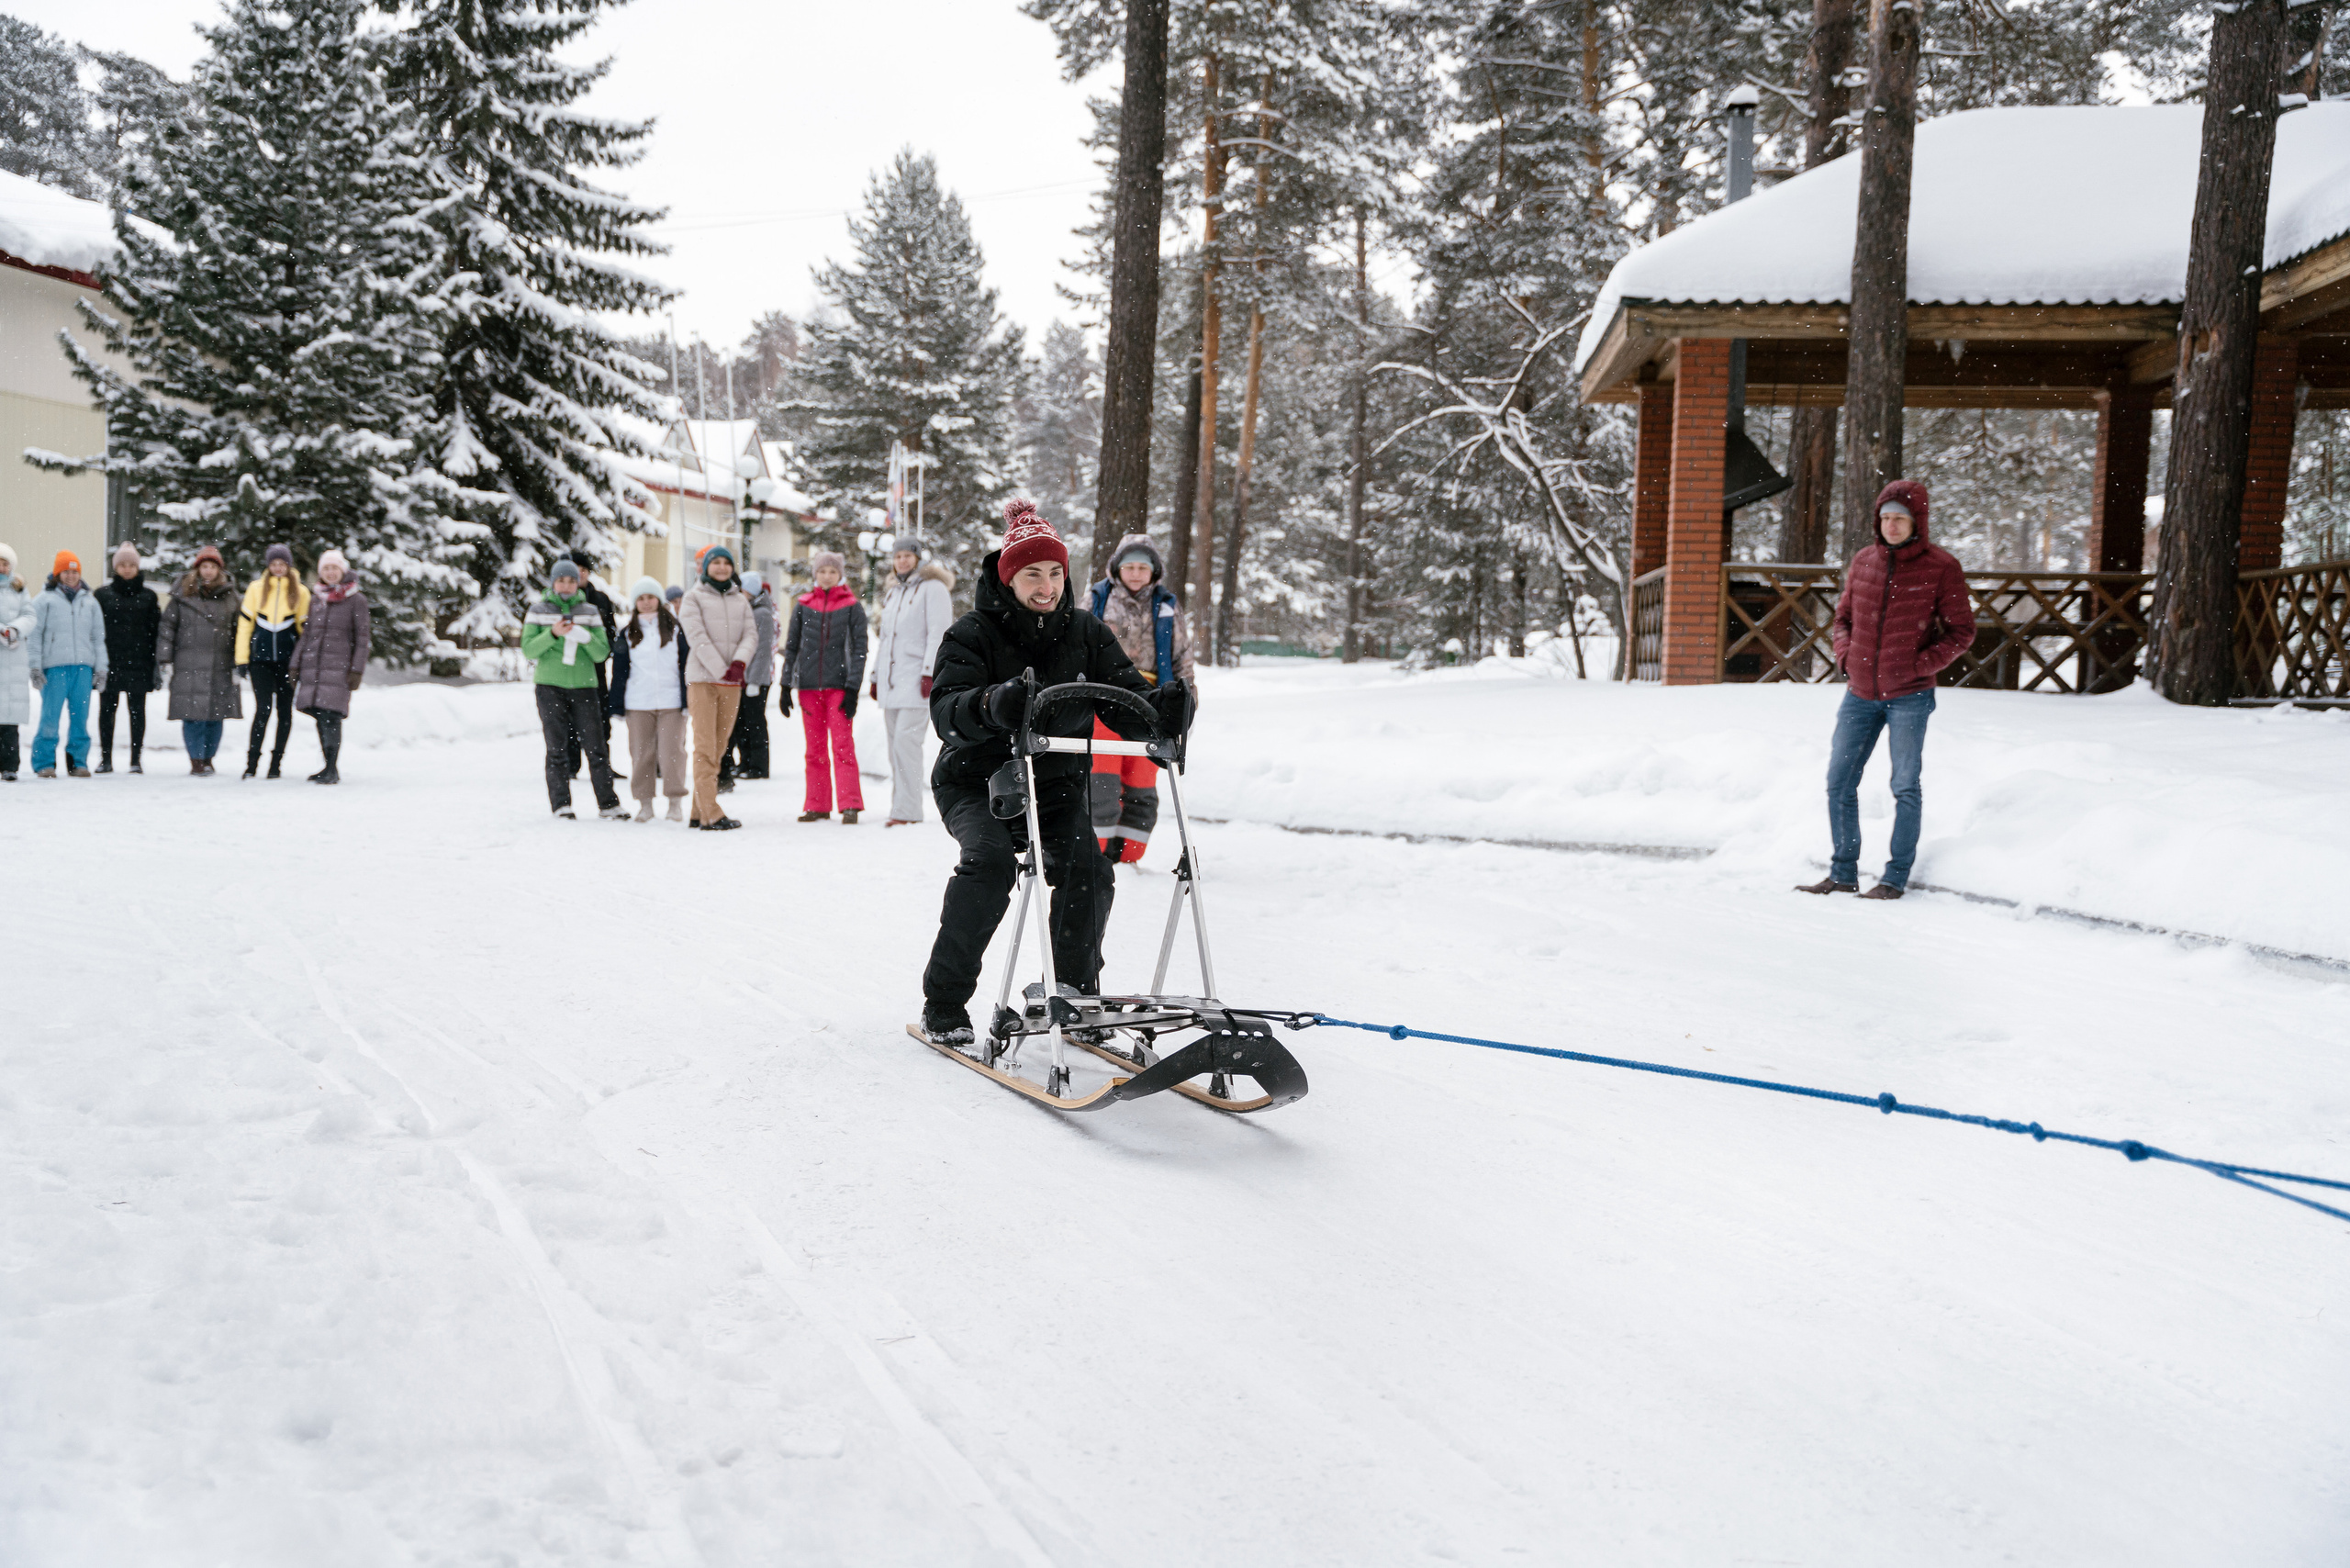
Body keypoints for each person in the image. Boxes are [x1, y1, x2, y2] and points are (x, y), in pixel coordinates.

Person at [917, 499, 1186, 1047]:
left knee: (1091, 867)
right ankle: (944, 1001)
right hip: (977, 780)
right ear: (1009, 577)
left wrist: (1163, 713)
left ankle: (1072, 990)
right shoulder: (972, 632)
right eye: (1032, 574)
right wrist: (995, 702)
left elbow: (1125, 698)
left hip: (1056, 783)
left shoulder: (1085, 630)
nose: (1046, 586)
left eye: (1056, 573)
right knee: (990, 865)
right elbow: (948, 710)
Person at [1799, 478, 1974, 901]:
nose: (1892, 526)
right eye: (1886, 518)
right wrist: (1845, 657)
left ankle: (1895, 877)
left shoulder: (1941, 567)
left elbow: (1961, 631)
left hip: (1910, 696)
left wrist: (1918, 666)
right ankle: (1843, 872)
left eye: (1900, 518)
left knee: (1904, 785)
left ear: (1918, 522)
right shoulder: (1863, 562)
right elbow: (1843, 620)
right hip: (1859, 694)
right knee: (1839, 781)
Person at [1086, 533, 1196, 864]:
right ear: (1116, 569)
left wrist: (1186, 706)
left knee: (1141, 781)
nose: (1135, 573)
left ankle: (1130, 856)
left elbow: (1183, 659)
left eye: (1142, 567)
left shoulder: (1166, 607)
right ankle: (1097, 854)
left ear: (1154, 571)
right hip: (1102, 700)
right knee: (1101, 779)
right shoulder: (1097, 600)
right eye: (1129, 566)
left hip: (1150, 701)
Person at [521, 557, 627, 820]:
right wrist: (554, 634)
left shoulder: (590, 611)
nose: (567, 585)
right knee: (556, 748)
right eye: (561, 580)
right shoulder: (538, 610)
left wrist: (585, 637)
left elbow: (602, 652)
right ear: (553, 582)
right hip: (550, 686)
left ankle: (608, 804)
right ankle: (561, 804)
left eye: (571, 580)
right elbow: (528, 649)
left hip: (584, 687)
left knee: (596, 747)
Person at [870, 536, 955, 826]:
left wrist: (930, 672)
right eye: (898, 556)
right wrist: (875, 676)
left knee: (907, 742)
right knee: (896, 745)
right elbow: (886, 639)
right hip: (893, 680)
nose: (903, 561)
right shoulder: (893, 592)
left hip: (918, 678)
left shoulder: (933, 589)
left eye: (908, 555)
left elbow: (939, 633)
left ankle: (908, 810)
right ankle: (901, 806)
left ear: (918, 559)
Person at [780, 549, 869, 823]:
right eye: (822, 571)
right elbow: (792, 646)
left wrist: (853, 687)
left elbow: (859, 649)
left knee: (843, 745)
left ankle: (850, 803)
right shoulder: (803, 605)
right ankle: (817, 804)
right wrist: (785, 685)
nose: (827, 576)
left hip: (839, 687)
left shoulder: (852, 606)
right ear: (815, 574)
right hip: (808, 687)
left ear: (840, 574)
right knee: (814, 748)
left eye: (832, 571)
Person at [677, 544, 755, 831]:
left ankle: (698, 812)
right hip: (703, 680)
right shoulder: (693, 597)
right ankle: (712, 812)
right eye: (716, 562)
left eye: (726, 562)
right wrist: (721, 668)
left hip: (731, 682)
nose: (721, 567)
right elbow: (695, 636)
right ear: (706, 566)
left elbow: (751, 634)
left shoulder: (741, 601)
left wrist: (739, 663)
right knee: (705, 747)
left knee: (719, 748)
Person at [156, 545, 242, 774]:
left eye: (212, 567)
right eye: (204, 566)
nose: (208, 571)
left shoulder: (231, 597)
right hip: (188, 663)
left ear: (219, 570)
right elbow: (167, 627)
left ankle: (209, 757)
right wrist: (165, 657)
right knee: (192, 715)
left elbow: (240, 630)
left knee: (216, 715)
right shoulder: (182, 595)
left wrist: (241, 660)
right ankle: (196, 759)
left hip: (220, 663)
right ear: (198, 568)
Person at [610, 575, 689, 822]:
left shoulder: (676, 630)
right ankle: (645, 804)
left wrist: (687, 700)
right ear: (635, 603)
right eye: (641, 599)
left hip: (671, 702)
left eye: (651, 598)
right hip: (639, 702)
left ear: (659, 600)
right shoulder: (627, 633)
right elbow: (620, 672)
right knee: (641, 754)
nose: (646, 603)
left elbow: (685, 666)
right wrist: (617, 704)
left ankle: (675, 802)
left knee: (672, 753)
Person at [290, 549, 370, 785]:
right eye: (326, 568)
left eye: (334, 568)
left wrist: (357, 670)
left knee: (331, 716)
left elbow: (362, 638)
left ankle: (332, 768)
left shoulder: (356, 599)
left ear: (343, 570)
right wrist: (295, 665)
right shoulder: (317, 599)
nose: (330, 573)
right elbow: (307, 636)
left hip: (339, 668)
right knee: (319, 715)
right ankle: (327, 765)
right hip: (314, 668)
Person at [28, 550, 107, 778]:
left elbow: (97, 638)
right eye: (66, 571)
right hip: (54, 668)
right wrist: (34, 666)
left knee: (80, 719)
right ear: (58, 573)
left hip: (83, 669)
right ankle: (44, 763)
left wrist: (101, 668)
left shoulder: (90, 602)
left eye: (75, 571)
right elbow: (34, 636)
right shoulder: (44, 600)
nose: (71, 576)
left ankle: (78, 762)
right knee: (50, 718)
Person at [236, 542, 310, 778]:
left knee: (284, 712)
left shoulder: (301, 591)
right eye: (274, 564)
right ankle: (252, 763)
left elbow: (305, 630)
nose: (278, 568)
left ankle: (276, 763)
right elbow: (245, 626)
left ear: (288, 566)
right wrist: (242, 658)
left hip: (289, 663)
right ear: (268, 565)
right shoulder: (256, 589)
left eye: (282, 564)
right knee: (263, 710)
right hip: (261, 660)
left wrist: (303, 661)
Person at [95, 541, 162, 774]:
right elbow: (95, 631)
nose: (126, 569)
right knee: (106, 712)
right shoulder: (102, 595)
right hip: (110, 662)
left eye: (130, 565)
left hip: (139, 663)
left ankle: (136, 759)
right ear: (115, 568)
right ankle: (105, 759)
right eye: (121, 564)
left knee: (137, 712)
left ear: (137, 567)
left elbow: (156, 633)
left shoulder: (149, 597)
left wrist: (155, 664)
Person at [720, 569, 778, 790]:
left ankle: (759, 765)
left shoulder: (761, 613)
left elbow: (762, 650)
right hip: (744, 677)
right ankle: (746, 762)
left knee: (755, 721)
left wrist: (754, 680)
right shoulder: (749, 610)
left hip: (756, 678)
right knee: (742, 721)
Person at [0, 543, 33, 781]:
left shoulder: (19, 590)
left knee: (10, 720)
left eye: (5, 563)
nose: (1, 567)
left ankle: (10, 765)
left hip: (13, 658)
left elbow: (30, 615)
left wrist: (14, 630)